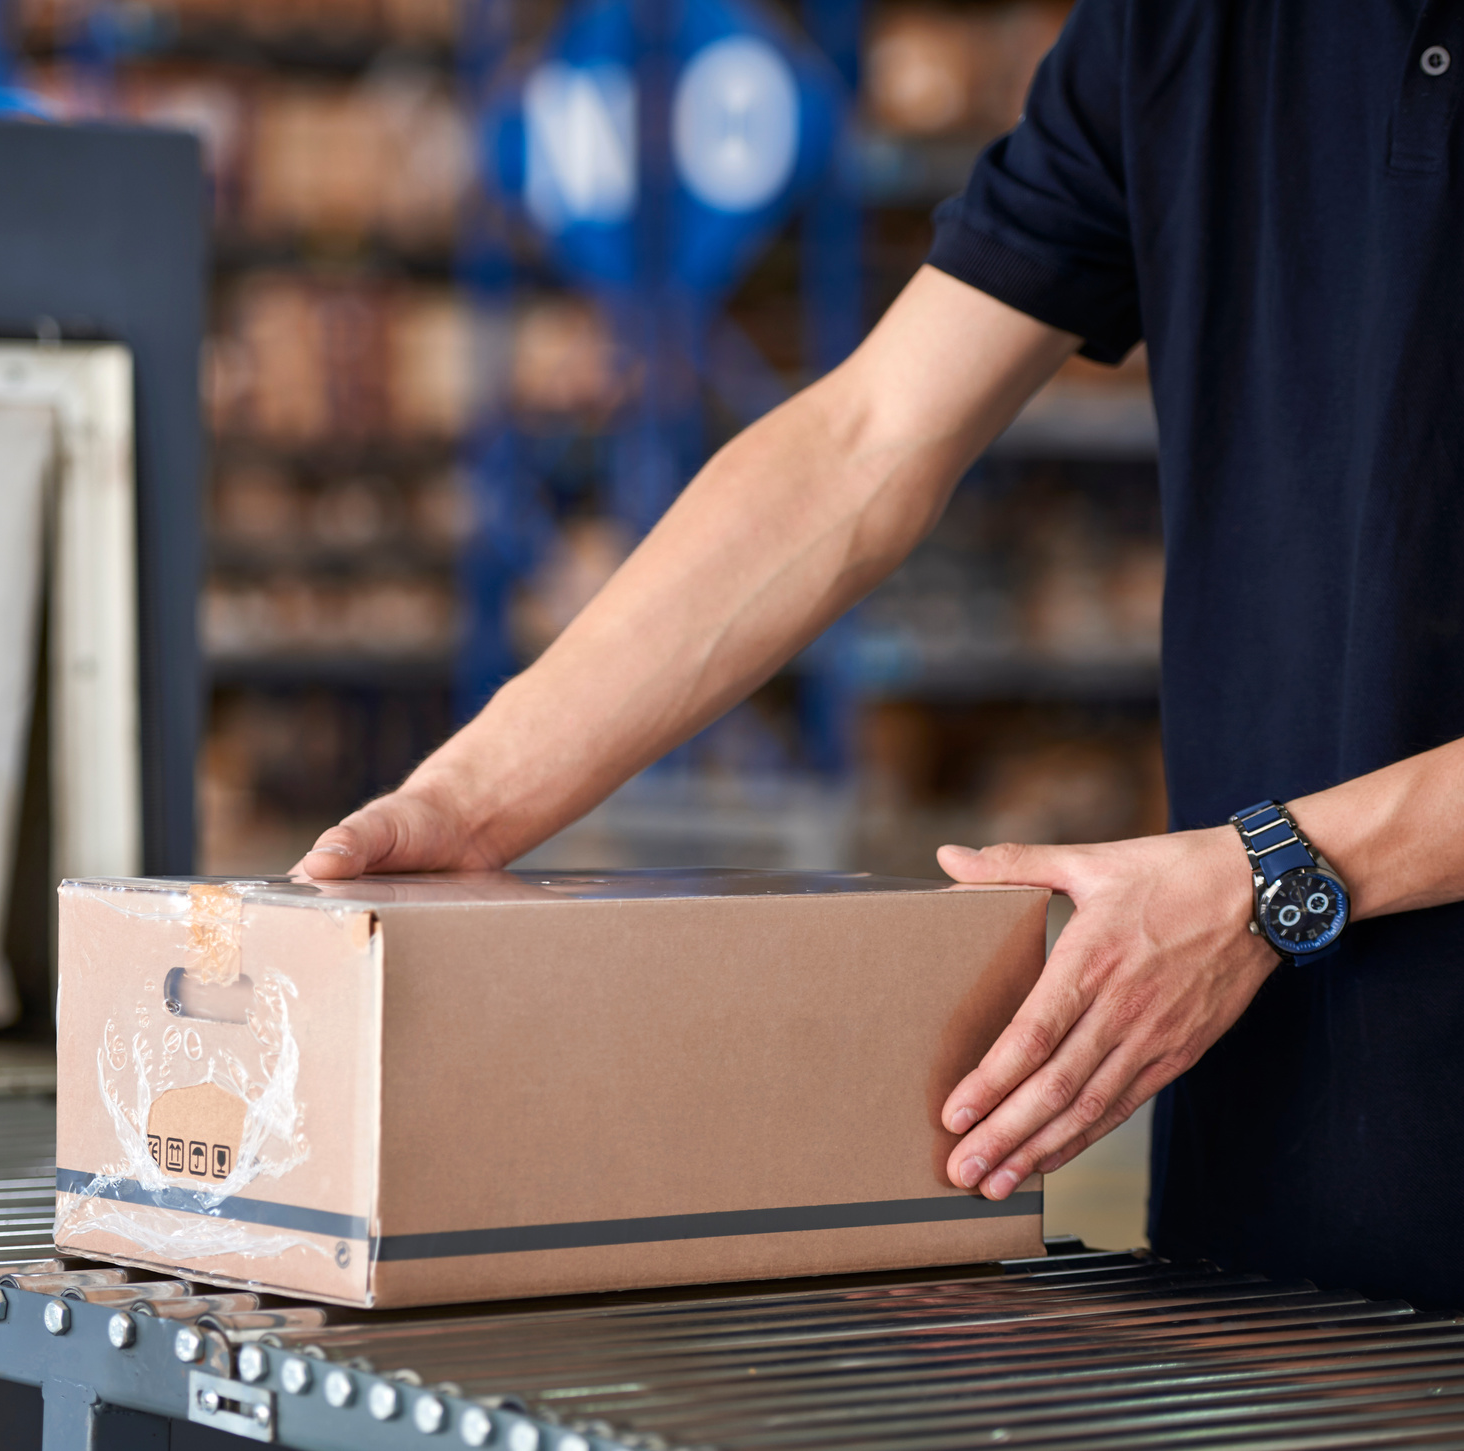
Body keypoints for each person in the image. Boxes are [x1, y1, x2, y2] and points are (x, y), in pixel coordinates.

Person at [294, 0, 1464, 1309]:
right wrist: (465, 798)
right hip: (1276, 1156)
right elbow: (863, 441)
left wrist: (1282, 872)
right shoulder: (1174, 34)